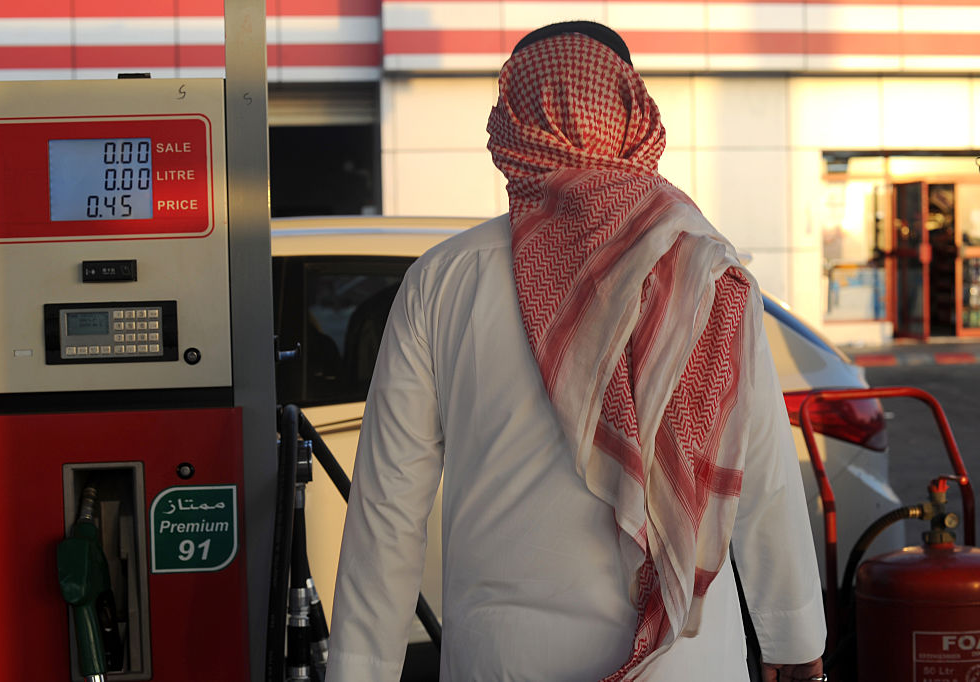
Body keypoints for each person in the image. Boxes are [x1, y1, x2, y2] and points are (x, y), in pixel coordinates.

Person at [325, 21, 826, 682]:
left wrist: (359, 672)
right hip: (685, 660)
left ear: (511, 127)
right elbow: (760, 472)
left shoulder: (442, 280)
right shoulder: (706, 270)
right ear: (629, 113)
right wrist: (795, 644)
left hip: (503, 661)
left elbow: (387, 511)